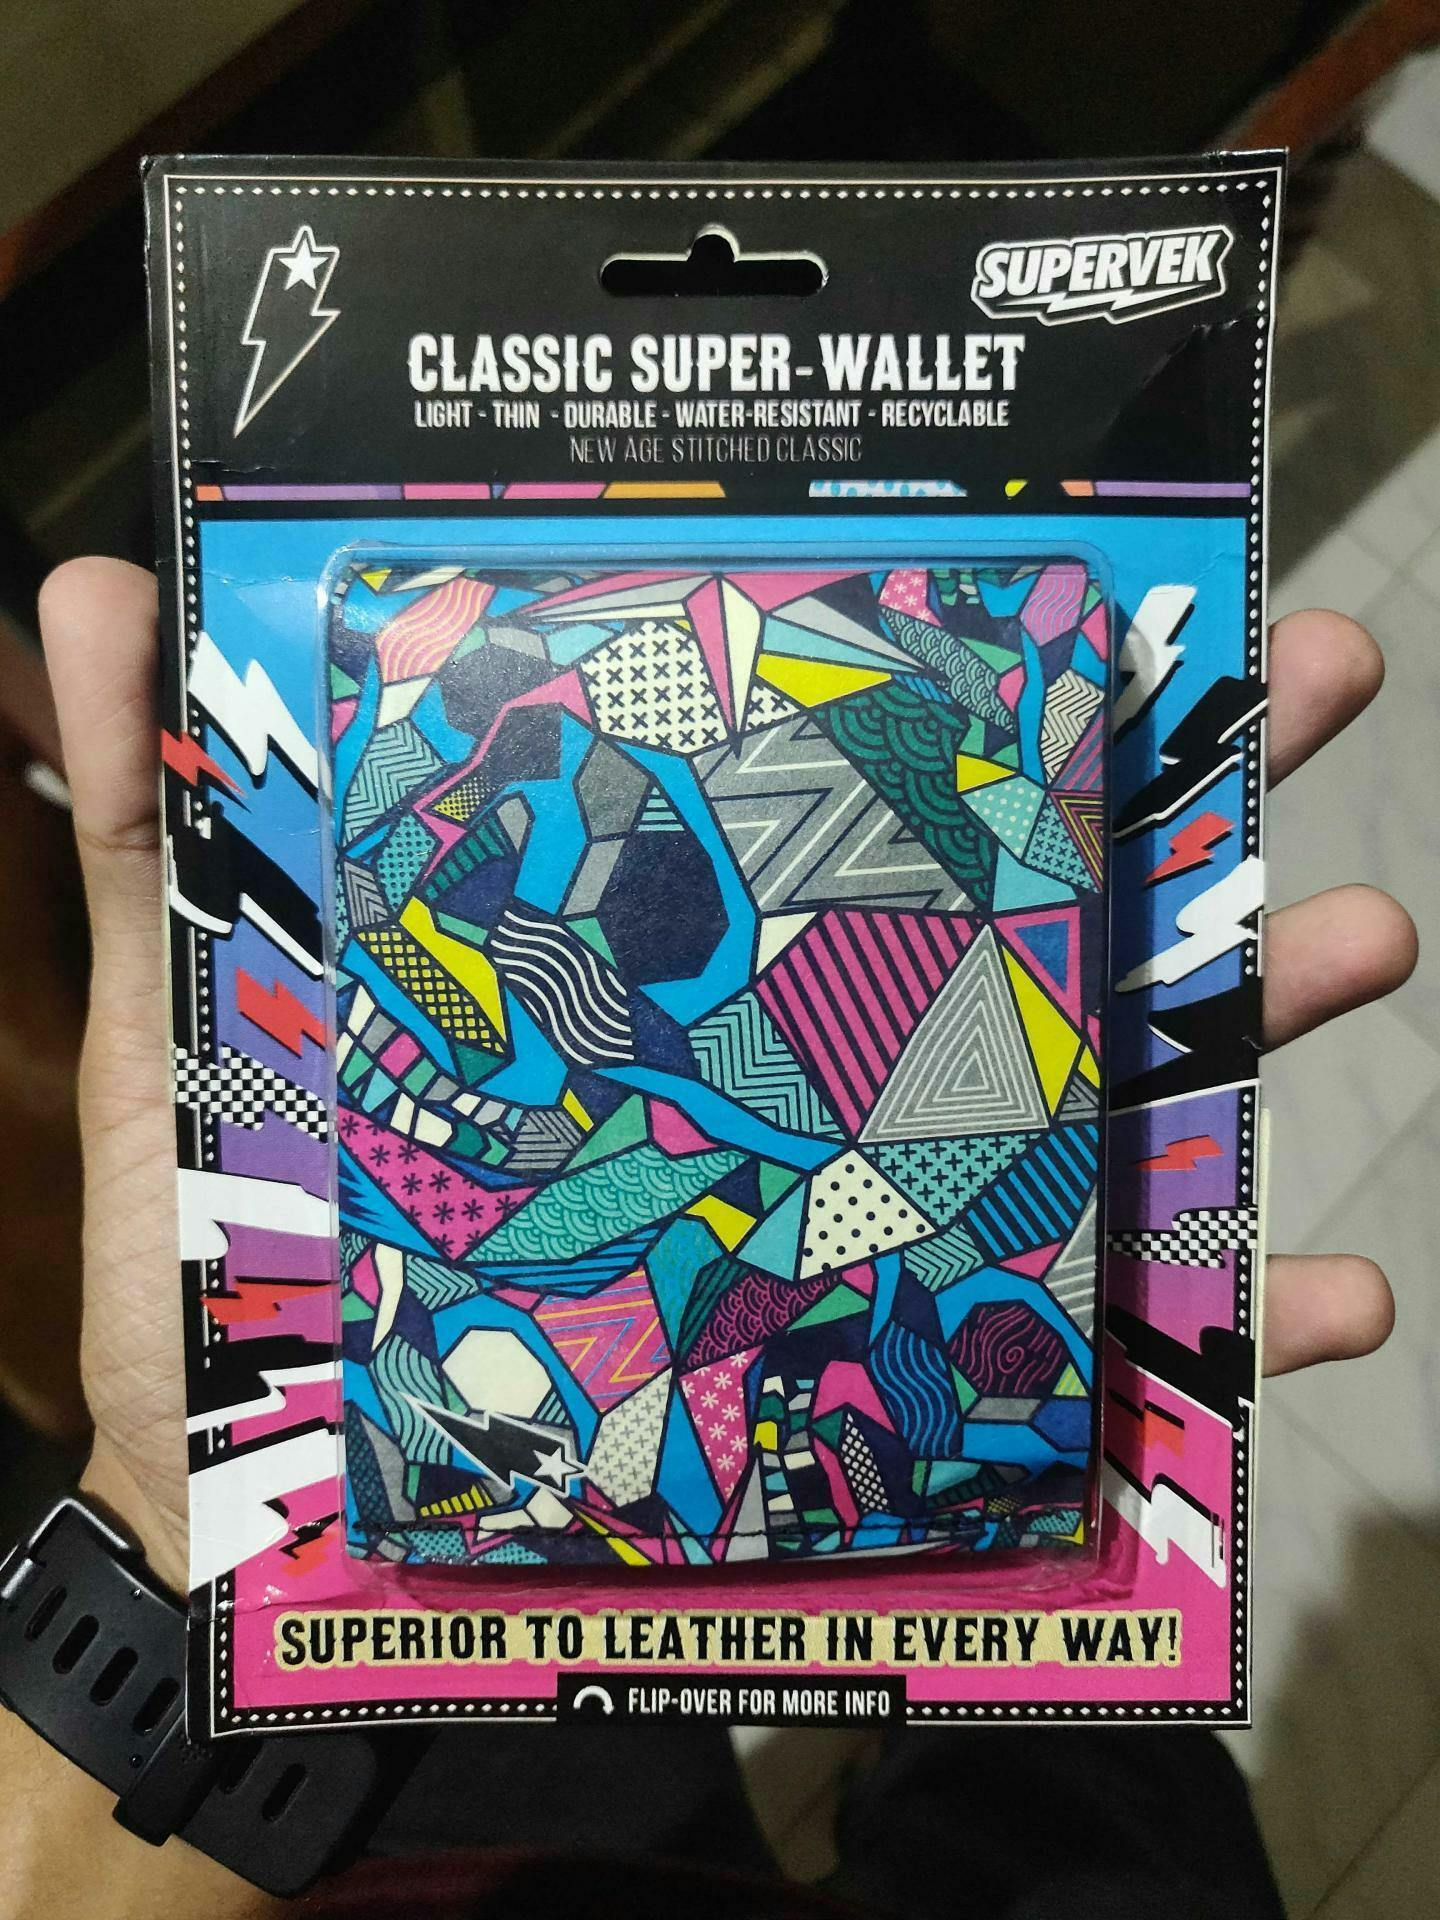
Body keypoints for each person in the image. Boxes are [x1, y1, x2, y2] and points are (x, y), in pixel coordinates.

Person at [2, 559, 1417, 1918]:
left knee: (1059, 1751)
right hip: (478, 1672)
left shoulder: (758, 1009)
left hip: (517, 1702)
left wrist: (185, 1566)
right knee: (1096, 1802)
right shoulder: (620, 1043)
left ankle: (955, 1709)